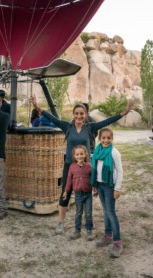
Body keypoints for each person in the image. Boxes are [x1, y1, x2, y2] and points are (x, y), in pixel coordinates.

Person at [30, 95, 132, 234]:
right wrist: (36, 106)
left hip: (86, 167)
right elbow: (50, 117)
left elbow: (107, 121)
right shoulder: (67, 126)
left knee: (85, 192)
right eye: (77, 113)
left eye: (82, 114)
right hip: (69, 165)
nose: (79, 116)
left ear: (86, 115)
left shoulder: (90, 127)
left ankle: (87, 220)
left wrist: (123, 113)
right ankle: (60, 222)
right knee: (66, 192)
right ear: (73, 114)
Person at [90, 127, 123, 258]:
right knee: (105, 211)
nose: (106, 140)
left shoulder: (114, 153)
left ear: (112, 139)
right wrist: (95, 185)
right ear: (99, 139)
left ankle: (117, 243)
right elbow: (96, 169)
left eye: (109, 138)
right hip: (101, 185)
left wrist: (117, 188)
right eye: (103, 138)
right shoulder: (97, 151)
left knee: (111, 212)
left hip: (110, 186)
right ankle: (108, 235)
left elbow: (120, 171)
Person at [63, 145, 94, 241]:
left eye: (81, 154)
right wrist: (66, 191)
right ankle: (77, 231)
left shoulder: (89, 166)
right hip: (78, 195)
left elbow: (93, 180)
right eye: (77, 154)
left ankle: (89, 231)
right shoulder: (72, 167)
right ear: (74, 156)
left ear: (85, 155)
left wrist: (95, 189)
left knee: (88, 213)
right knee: (78, 213)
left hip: (88, 194)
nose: (79, 156)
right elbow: (69, 180)